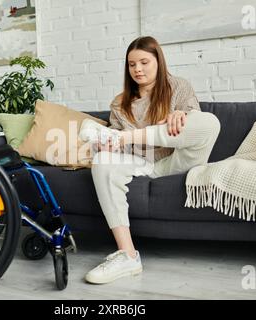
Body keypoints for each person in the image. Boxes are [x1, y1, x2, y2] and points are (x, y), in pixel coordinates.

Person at [78, 36, 221, 284]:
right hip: (141, 162)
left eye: (144, 62)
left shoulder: (179, 87)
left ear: (158, 61)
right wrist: (106, 145)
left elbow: (195, 127)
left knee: (209, 122)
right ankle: (128, 256)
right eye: (132, 64)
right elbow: (115, 152)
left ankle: (123, 137)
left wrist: (183, 114)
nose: (138, 69)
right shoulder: (119, 104)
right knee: (102, 160)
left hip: (176, 160)